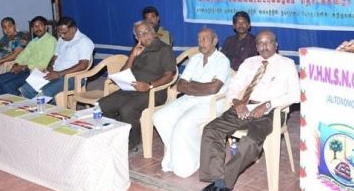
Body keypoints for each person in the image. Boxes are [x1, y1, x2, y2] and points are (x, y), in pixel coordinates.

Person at [198, 30, 300, 191]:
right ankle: (218, 181)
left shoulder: (287, 64)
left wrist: (267, 105)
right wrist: (237, 102)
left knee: (250, 142)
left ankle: (223, 183)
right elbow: (234, 86)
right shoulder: (249, 62)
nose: (264, 46)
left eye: (268, 42)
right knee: (211, 130)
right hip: (243, 107)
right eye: (260, 43)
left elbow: (295, 95)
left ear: (276, 44)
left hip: (271, 111)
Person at [153, 28, 230, 178]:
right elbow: (181, 85)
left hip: (211, 103)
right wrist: (200, 87)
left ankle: (188, 165)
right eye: (199, 39)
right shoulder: (195, 59)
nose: (200, 43)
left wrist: (192, 85)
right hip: (189, 98)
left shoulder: (222, 60)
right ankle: (176, 153)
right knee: (159, 117)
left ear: (215, 41)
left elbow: (214, 88)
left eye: (204, 39)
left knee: (183, 123)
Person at [99, 20, 176, 151]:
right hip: (131, 88)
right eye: (140, 34)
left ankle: (133, 143)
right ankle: (118, 135)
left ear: (153, 32)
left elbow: (169, 75)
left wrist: (150, 85)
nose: (145, 35)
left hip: (154, 91)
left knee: (127, 110)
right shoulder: (138, 49)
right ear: (136, 38)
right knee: (101, 106)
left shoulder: (164, 49)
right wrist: (133, 56)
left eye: (147, 31)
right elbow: (123, 72)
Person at [18, 16, 94, 100]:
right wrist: (49, 67)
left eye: (64, 33)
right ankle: (49, 105)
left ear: (73, 29)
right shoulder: (62, 40)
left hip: (72, 77)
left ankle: (50, 108)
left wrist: (59, 74)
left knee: (44, 92)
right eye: (60, 33)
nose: (61, 36)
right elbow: (55, 57)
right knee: (26, 89)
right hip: (55, 73)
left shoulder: (84, 41)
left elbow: (83, 65)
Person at [0, 16, 57, 95]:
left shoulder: (51, 41)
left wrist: (24, 67)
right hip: (26, 70)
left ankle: (17, 104)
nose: (37, 28)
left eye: (39, 25)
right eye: (34, 26)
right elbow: (23, 55)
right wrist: (17, 64)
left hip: (38, 73)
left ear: (46, 27)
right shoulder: (34, 41)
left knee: (8, 86)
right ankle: (1, 104)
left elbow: (44, 64)